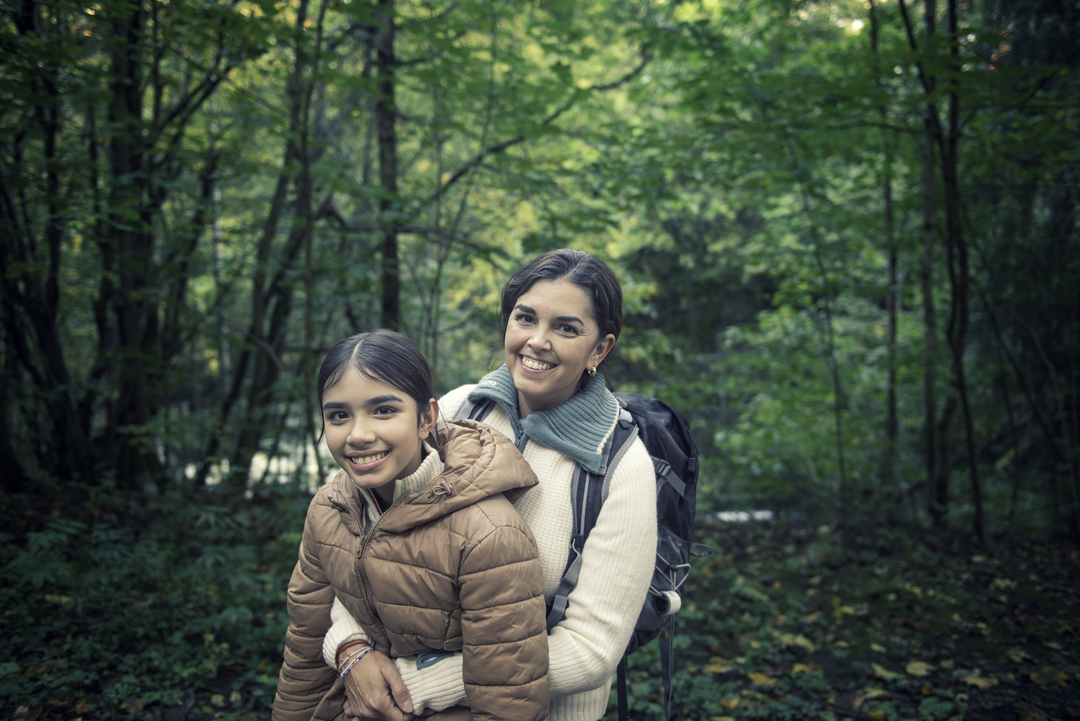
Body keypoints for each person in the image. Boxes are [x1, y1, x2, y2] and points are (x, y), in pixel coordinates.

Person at [325, 250, 657, 721]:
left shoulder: (621, 468)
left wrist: (416, 683)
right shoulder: (458, 411)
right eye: (526, 318)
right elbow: (356, 545)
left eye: (566, 328)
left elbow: (590, 650)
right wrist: (351, 649)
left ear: (599, 350)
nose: (537, 341)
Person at [271, 330, 550, 721]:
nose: (359, 435)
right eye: (338, 415)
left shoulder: (488, 532)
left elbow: (509, 702)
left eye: (383, 410)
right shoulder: (327, 511)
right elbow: (304, 655)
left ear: (426, 419)